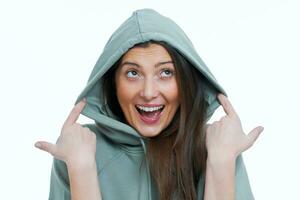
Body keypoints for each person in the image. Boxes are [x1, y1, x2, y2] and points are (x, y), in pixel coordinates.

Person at [35, 8, 264, 200]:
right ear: (113, 83)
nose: (148, 92)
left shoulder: (216, 145)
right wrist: (82, 169)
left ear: (185, 81)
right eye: (133, 73)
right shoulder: (79, 149)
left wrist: (222, 161)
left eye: (165, 72)